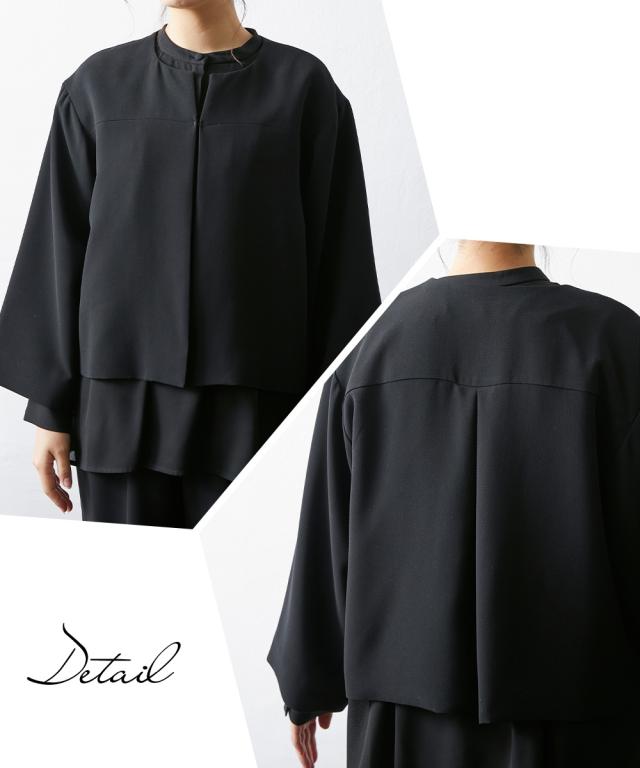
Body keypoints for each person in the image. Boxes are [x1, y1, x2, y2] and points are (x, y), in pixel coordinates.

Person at [0, 0, 380, 527]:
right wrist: (50, 410)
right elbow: (58, 249)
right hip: (119, 415)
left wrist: (344, 416)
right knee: (131, 579)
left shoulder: (305, 89)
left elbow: (341, 267)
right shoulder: (97, 87)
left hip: (258, 414)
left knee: (243, 577)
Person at [268, 241, 640, 767]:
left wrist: (307, 686)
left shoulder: (373, 344)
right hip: (575, 724)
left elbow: (328, 534)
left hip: (401, 728)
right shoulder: (616, 341)